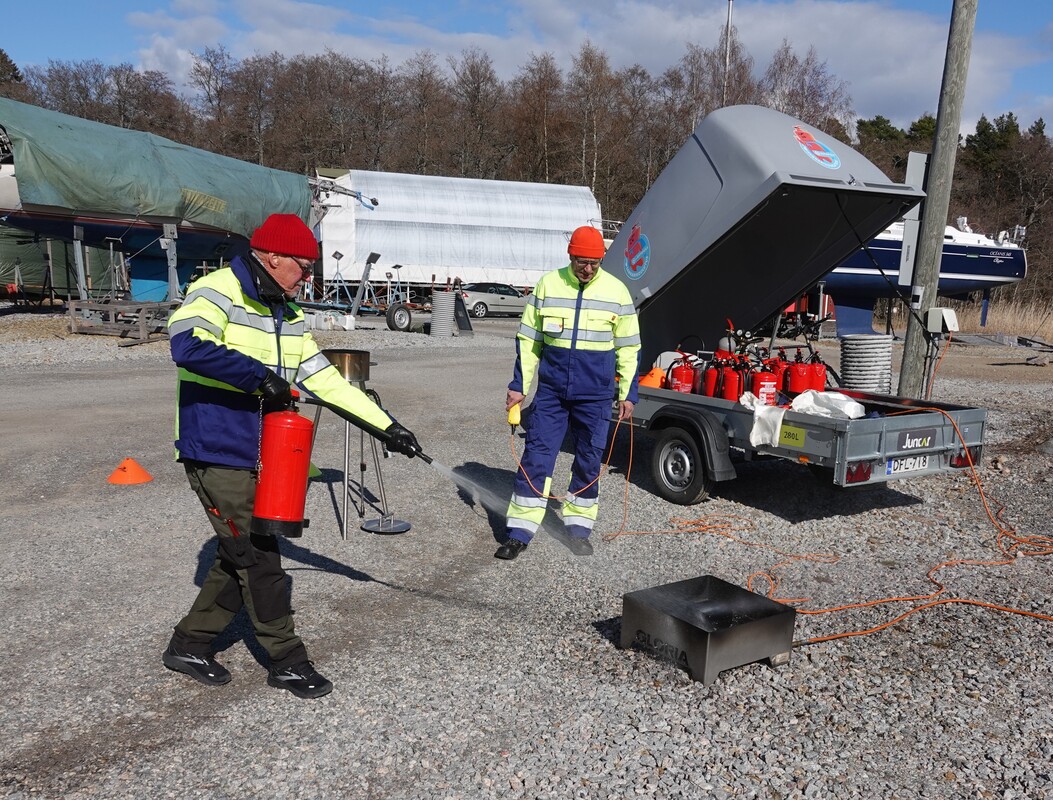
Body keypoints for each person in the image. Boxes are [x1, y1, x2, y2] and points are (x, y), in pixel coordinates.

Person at [162, 213, 423, 699]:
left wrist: (388, 428)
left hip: (266, 452)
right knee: (260, 556)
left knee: (239, 552)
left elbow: (324, 380)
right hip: (217, 447)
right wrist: (260, 378)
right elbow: (188, 346)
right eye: (303, 267)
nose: (307, 277)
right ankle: (287, 661)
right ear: (272, 257)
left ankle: (189, 644)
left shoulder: (288, 312)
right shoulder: (217, 290)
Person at [495, 225, 640, 561]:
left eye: (594, 263)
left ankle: (578, 531)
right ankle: (519, 533)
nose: (587, 269)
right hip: (552, 394)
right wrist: (519, 387)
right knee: (536, 458)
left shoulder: (617, 292)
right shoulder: (548, 285)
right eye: (581, 262)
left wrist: (627, 393)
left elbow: (630, 348)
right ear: (570, 256)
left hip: (596, 396)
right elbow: (529, 341)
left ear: (601, 259)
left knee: (589, 461)